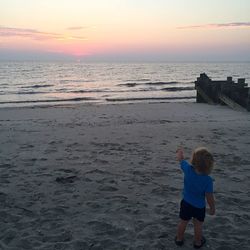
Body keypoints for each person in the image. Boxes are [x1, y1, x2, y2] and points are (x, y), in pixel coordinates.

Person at [175, 147, 215, 248]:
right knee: (198, 225)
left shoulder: (188, 169)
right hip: (199, 207)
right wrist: (212, 208)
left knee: (183, 222)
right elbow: (209, 197)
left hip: (186, 203)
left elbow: (181, 160)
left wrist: (180, 153)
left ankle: (179, 239)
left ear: (193, 161)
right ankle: (197, 242)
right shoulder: (208, 180)